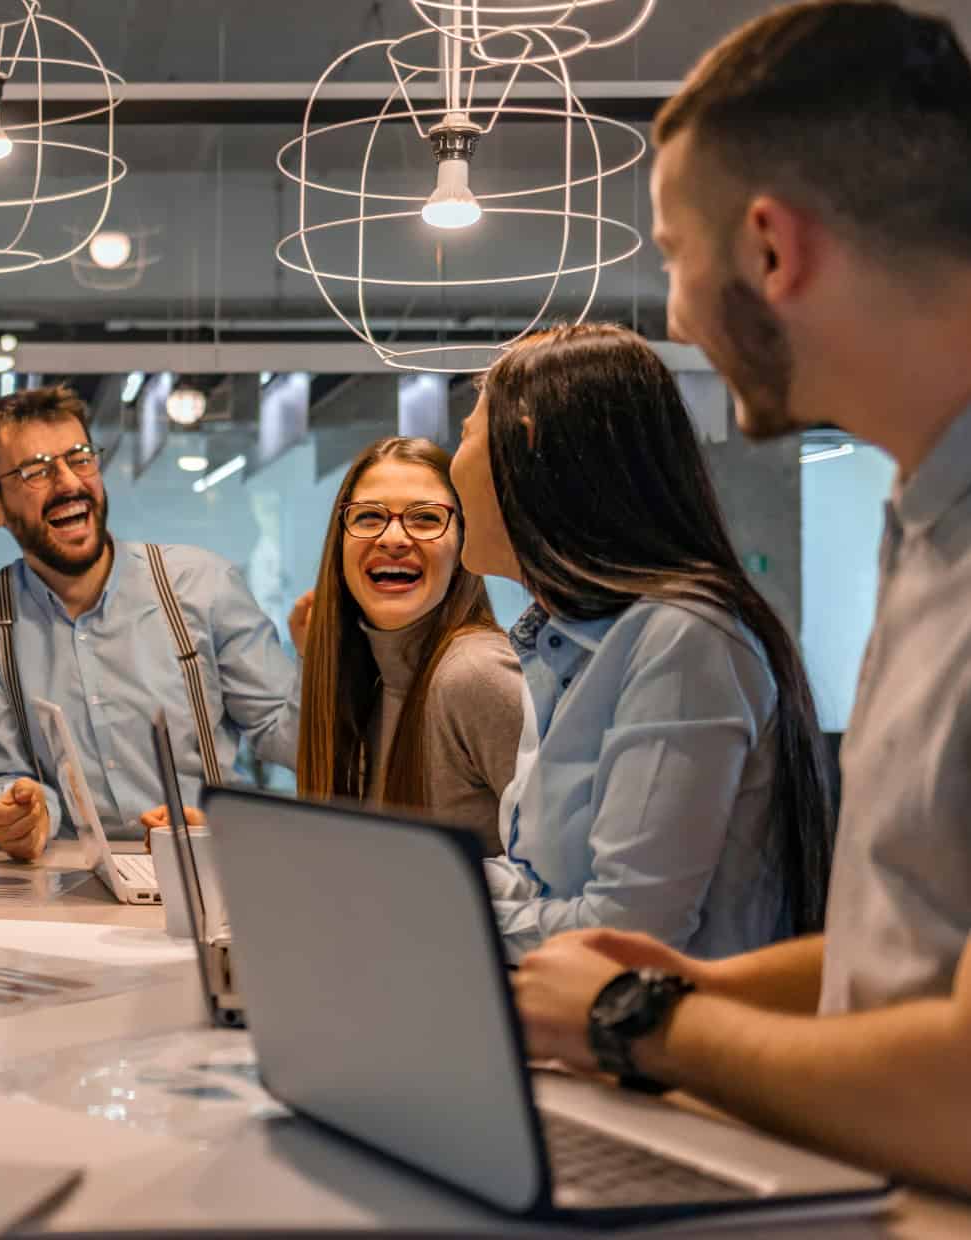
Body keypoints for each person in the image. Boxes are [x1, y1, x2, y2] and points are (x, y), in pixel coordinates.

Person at [511, 1, 971, 1194]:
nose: (671, 311)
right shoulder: (926, 518)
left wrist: (635, 1019)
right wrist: (698, 991)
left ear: (769, 249)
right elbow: (913, 942)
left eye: (672, 254)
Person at [449, 322, 834, 962]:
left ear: (525, 447)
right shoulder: (564, 644)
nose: (451, 463)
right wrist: (423, 884)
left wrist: (443, 918)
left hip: (679, 1055)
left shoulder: (684, 639)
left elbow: (630, 932)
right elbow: (542, 882)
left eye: (465, 433)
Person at [0, 385, 299, 861]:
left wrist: (323, 658)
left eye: (80, 458)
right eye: (36, 471)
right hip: (63, 885)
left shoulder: (201, 586)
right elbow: (1, 774)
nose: (69, 483)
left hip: (211, 863)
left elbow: (283, 733)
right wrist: (20, 811)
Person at [289, 437, 522, 850]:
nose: (392, 537)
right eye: (367, 517)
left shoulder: (476, 675)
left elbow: (568, 872)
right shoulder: (372, 678)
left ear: (462, 548)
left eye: (426, 519)